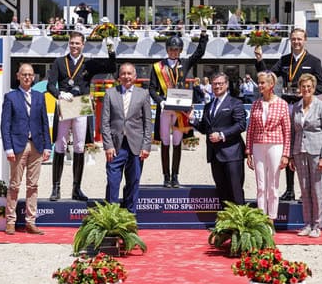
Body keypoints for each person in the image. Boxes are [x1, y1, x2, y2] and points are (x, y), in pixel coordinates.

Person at [255, 27, 322, 201]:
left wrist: (306, 94)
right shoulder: (284, 60)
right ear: (290, 40)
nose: (296, 42)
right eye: (293, 39)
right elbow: (270, 77)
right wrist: (259, 60)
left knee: (303, 149)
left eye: (299, 39)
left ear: (305, 40)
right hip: (287, 107)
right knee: (288, 147)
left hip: (304, 108)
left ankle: (305, 190)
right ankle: (289, 189)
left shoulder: (314, 61)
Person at [47, 31, 116, 201]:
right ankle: (56, 188)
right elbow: (50, 85)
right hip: (64, 104)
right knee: (61, 145)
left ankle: (76, 188)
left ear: (83, 45)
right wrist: (59, 94)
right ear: (68, 43)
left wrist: (111, 51)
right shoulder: (59, 62)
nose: (74, 46)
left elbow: (111, 68)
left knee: (79, 146)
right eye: (72, 43)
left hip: (81, 105)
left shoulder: (89, 63)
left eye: (78, 43)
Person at [149, 33, 208, 188]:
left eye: (176, 49)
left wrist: (203, 34)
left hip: (180, 109)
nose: (174, 52)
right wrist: (160, 101)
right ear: (167, 50)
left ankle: (175, 176)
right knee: (165, 142)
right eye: (171, 49)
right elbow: (151, 89)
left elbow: (199, 53)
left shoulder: (185, 63)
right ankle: (165, 176)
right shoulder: (157, 67)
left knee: (177, 142)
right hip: (165, 109)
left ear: (180, 50)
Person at [0, 63, 51, 235]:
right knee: (14, 185)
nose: (28, 77)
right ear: (18, 76)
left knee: (33, 185)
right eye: (24, 74)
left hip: (36, 145)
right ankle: (10, 221)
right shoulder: (10, 97)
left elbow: (45, 123)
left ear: (34, 77)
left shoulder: (39, 97)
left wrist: (47, 146)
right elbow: (5, 125)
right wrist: (8, 148)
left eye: (30, 74)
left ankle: (31, 221)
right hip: (18, 146)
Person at [189, 72, 246, 205]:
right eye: (214, 84)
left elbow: (241, 125)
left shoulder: (235, 103)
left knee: (236, 191)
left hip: (232, 154)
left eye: (220, 83)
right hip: (215, 155)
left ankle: (240, 224)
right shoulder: (209, 106)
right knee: (221, 192)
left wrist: (221, 135)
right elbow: (205, 128)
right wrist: (192, 118)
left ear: (226, 85)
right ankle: (225, 223)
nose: (217, 86)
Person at [101, 63, 152, 213]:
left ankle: (130, 216)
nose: (126, 76)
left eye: (129, 73)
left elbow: (147, 122)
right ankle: (111, 215)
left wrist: (146, 146)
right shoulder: (110, 93)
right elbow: (104, 122)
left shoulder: (143, 94)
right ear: (119, 77)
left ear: (135, 77)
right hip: (115, 146)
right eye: (123, 73)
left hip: (136, 146)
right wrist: (108, 145)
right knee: (113, 182)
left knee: (133, 181)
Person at [290, 73, 322, 238]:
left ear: (314, 89)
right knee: (304, 190)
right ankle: (307, 223)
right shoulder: (296, 107)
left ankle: (317, 225)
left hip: (316, 153)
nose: (306, 89)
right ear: (300, 88)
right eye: (303, 86)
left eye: (309, 87)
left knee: (317, 190)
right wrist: (292, 155)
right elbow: (294, 132)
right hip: (300, 152)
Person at [245, 72, 291, 220]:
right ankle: (260, 217)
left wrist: (286, 154)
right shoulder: (255, 104)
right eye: (259, 82)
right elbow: (250, 129)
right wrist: (248, 152)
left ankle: (271, 218)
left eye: (262, 83)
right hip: (258, 146)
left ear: (271, 85)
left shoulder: (282, 104)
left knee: (273, 185)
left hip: (275, 145)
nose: (259, 85)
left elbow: (287, 131)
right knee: (260, 185)